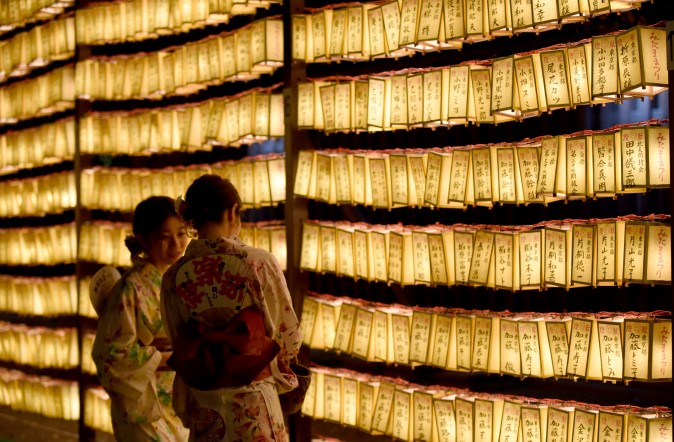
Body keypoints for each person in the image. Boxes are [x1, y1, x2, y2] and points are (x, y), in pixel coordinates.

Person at [160, 174, 302, 442]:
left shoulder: (173, 277)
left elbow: (176, 338)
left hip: (204, 403)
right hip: (254, 402)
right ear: (232, 211)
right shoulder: (258, 263)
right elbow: (288, 336)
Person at [91, 196, 190, 442]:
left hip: (180, 394)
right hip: (144, 399)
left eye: (181, 233)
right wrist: (166, 358)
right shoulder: (130, 288)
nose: (176, 244)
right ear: (143, 239)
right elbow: (110, 354)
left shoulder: (185, 280)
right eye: (165, 237)